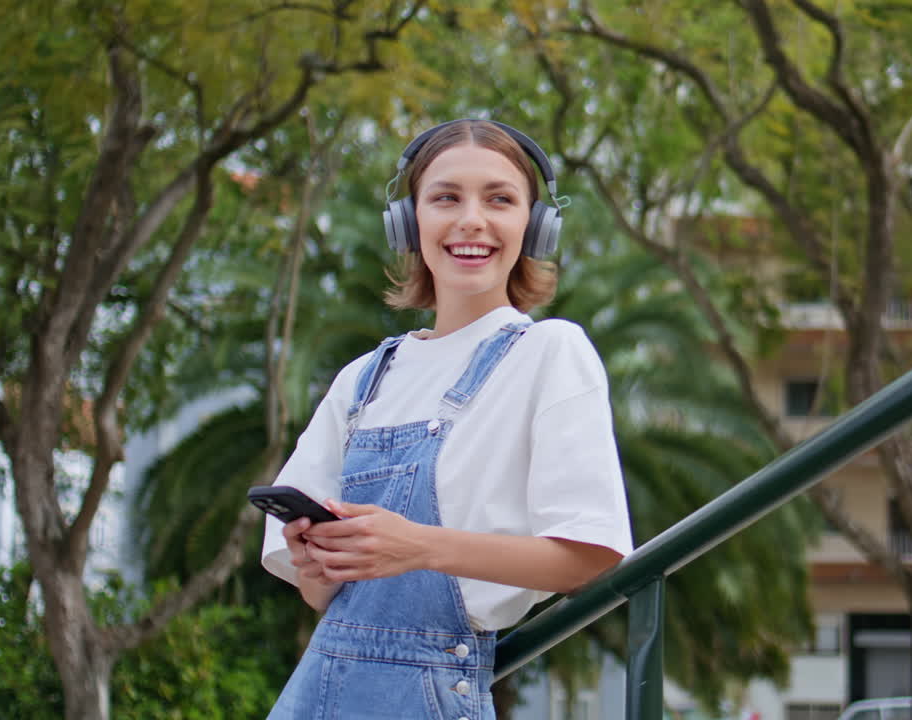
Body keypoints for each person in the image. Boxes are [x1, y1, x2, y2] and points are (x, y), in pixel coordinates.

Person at [259, 118, 633, 720]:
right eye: (445, 198)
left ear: (535, 228)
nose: (471, 221)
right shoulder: (364, 377)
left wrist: (418, 548)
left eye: (500, 199)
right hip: (316, 694)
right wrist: (316, 561)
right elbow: (323, 597)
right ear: (409, 222)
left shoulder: (550, 353)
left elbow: (593, 554)